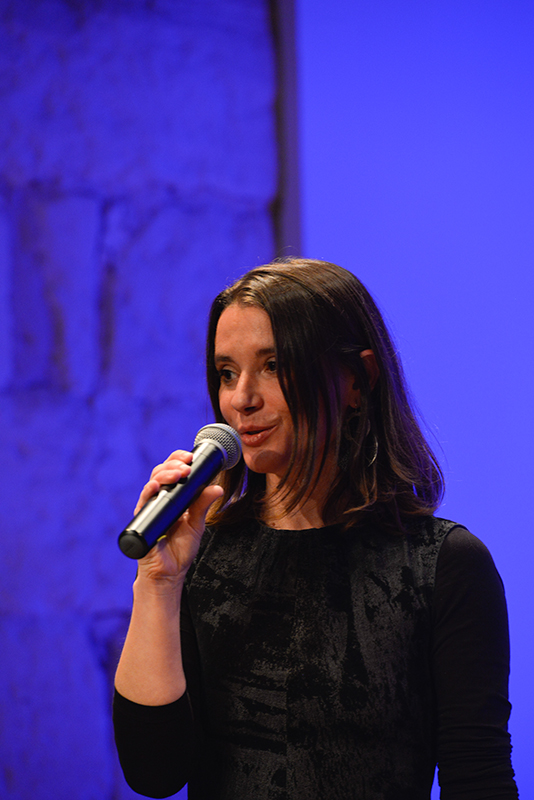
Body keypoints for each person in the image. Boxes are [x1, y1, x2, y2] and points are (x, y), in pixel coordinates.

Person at [113, 259, 518, 799]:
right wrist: (158, 582)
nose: (242, 399)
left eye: (274, 366)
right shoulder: (204, 554)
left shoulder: (443, 564)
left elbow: (479, 779)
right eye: (227, 373)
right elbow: (153, 774)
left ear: (358, 381)